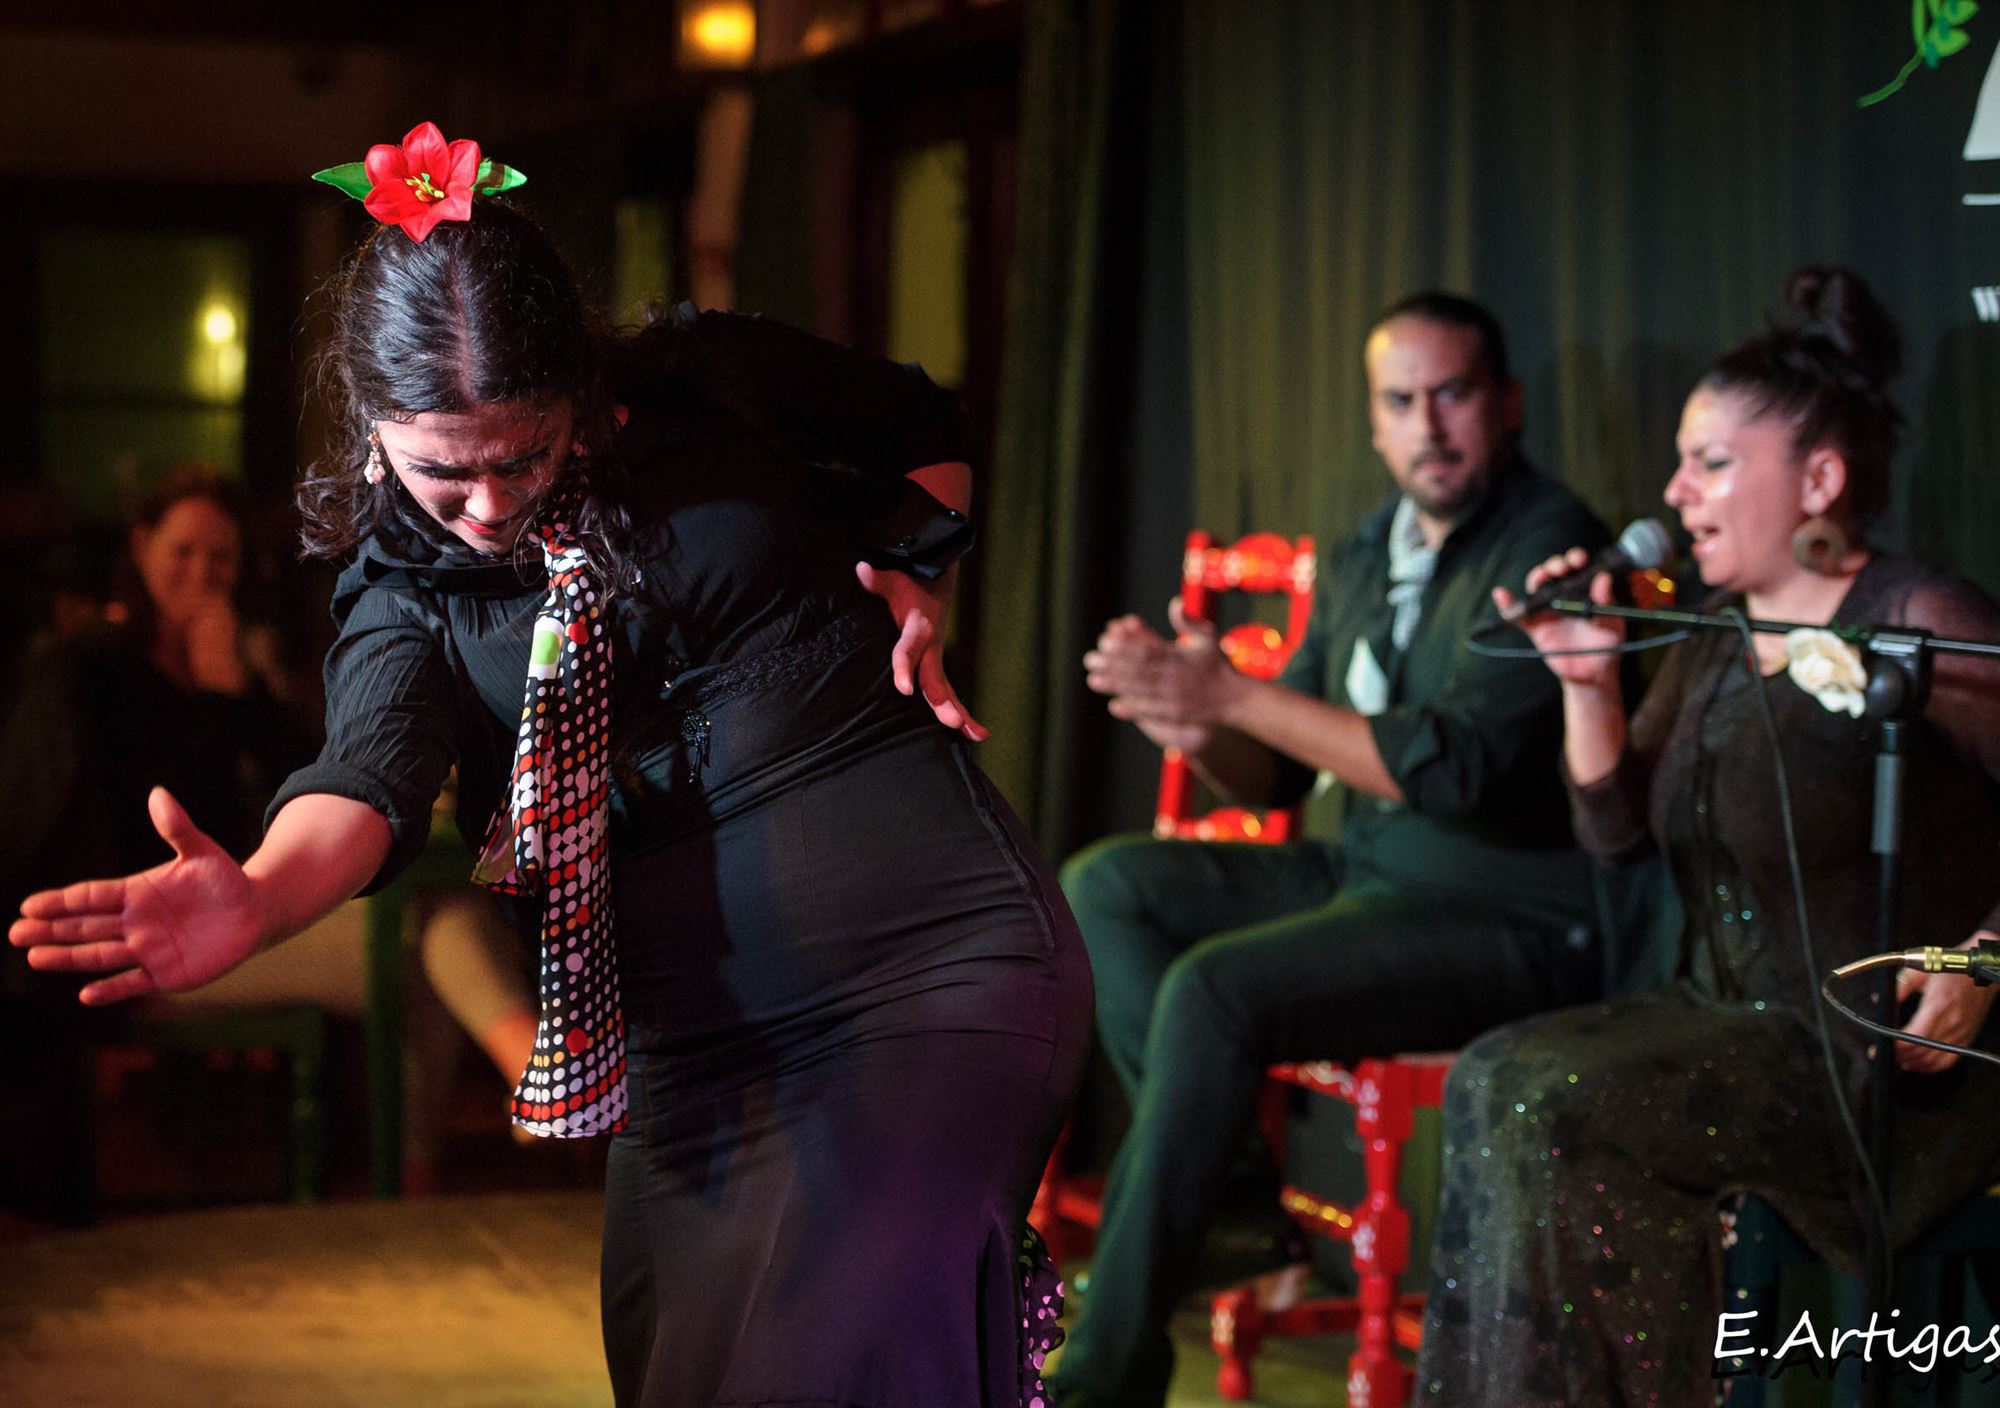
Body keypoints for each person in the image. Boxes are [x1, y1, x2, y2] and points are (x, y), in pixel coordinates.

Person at [12, 122, 1089, 1408]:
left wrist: (917, 565)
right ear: (372, 429)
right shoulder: (399, 596)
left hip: (932, 955)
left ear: (579, 384)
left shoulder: (704, 384)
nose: (485, 506)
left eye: (520, 456)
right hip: (698, 1049)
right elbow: (366, 778)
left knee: (844, 1344)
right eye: (438, 473)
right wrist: (260, 893)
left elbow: (916, 424)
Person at [1414, 267, 2000, 1406]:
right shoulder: (1713, 631)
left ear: (1818, 478)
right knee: (1489, 1077)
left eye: (1711, 462)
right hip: (1728, 1025)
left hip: (1886, 1060)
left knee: (1554, 1099)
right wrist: (1586, 683)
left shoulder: (1917, 620)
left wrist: (1981, 956)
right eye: (1681, 461)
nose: (1675, 491)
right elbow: (1619, 842)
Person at [1050, 293, 1615, 1405]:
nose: (1427, 426)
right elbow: (1277, 775)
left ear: (1500, 405)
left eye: (1449, 394)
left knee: (1214, 990)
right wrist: (1199, 723)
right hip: (1368, 876)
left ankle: (1101, 1379)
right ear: (1371, 421)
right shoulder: (1369, 549)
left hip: (1508, 913)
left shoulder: (1547, 543)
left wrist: (1235, 693)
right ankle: (1232, 1206)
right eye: (1399, 402)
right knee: (1105, 884)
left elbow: (1449, 767)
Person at [0, 466, 540, 1195]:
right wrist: (219, 702)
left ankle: (452, 1146)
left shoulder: (228, 662)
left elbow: (317, 778)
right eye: (183, 550)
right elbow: (95, 821)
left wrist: (237, 690)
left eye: (219, 557)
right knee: (415, 933)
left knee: (426, 922)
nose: (201, 572)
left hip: (235, 903)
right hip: (146, 931)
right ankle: (476, 1121)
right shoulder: (85, 667)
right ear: (141, 548)